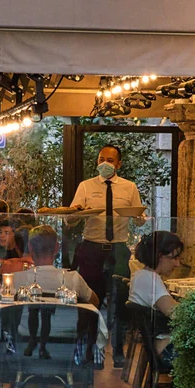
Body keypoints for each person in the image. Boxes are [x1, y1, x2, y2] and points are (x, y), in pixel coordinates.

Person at [69, 144, 145, 365]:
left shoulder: (129, 187)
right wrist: (76, 214)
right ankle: (86, 351)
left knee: (121, 301)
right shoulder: (85, 186)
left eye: (110, 160)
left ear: (118, 164)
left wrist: (140, 218)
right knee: (89, 301)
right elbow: (71, 218)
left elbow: (139, 217)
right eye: (101, 159)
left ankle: (119, 351)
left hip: (118, 249)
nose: (105, 163)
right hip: (91, 248)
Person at [13, 225, 98, 359]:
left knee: (34, 310)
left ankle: (33, 342)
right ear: (57, 248)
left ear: (30, 247)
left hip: (21, 360)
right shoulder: (73, 279)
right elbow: (95, 303)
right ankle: (42, 347)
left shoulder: (19, 280)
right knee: (46, 314)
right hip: (69, 356)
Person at [129, 231, 183, 359]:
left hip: (156, 345)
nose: (178, 264)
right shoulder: (151, 279)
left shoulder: (141, 275)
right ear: (160, 256)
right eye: (174, 257)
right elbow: (177, 314)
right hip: (166, 350)